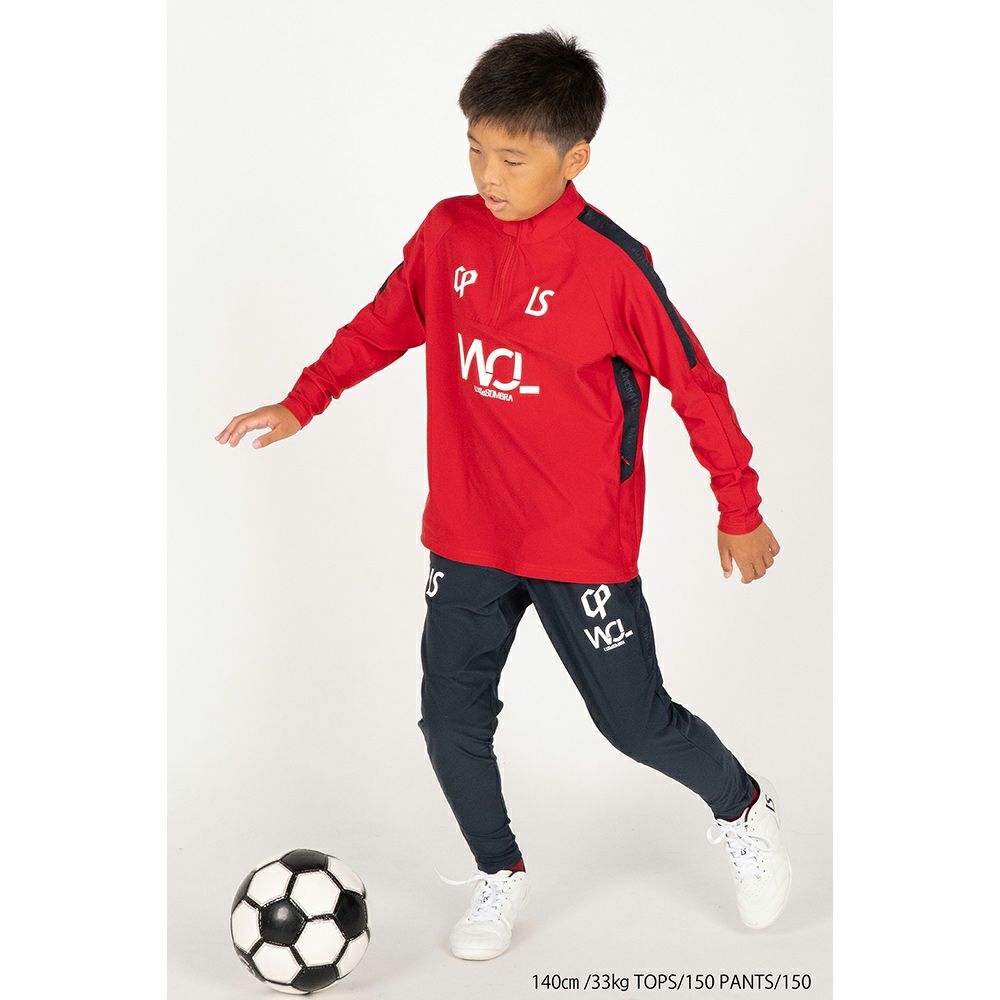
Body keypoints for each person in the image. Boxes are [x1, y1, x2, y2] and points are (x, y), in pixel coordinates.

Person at [216, 28, 791, 961]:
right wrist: (303, 399)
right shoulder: (447, 232)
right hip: (470, 532)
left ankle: (744, 807)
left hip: (578, 542)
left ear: (575, 158)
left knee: (634, 723)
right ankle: (499, 873)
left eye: (512, 159)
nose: (487, 174)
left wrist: (740, 506)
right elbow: (382, 323)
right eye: (475, 149)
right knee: (449, 721)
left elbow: (695, 382)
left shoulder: (613, 264)